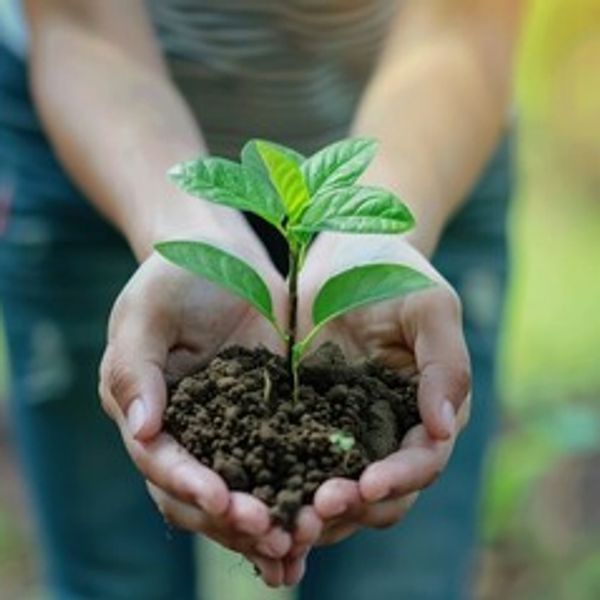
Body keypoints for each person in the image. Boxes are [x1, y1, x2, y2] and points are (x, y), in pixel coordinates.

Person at [0, 0, 522, 598]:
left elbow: (465, 24)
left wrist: (374, 238)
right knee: (115, 581)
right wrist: (189, 231)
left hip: (434, 140)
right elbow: (82, 24)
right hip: (98, 140)